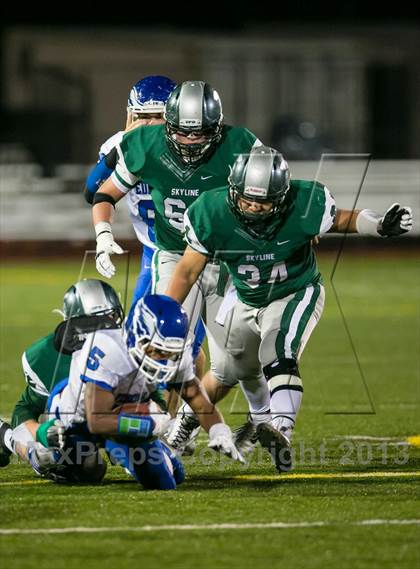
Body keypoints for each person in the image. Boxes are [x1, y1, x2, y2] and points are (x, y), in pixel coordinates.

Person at [164, 145, 413, 472]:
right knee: (227, 372)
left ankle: (279, 429)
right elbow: (187, 270)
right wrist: (164, 311)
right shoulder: (210, 211)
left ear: (282, 196)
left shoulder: (304, 204)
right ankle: (188, 421)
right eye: (247, 199)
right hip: (244, 295)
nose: (253, 208)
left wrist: (378, 224)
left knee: (277, 350)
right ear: (232, 189)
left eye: (264, 201)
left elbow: (342, 220)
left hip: (294, 291)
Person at [91, 80, 261, 407]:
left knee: (234, 359)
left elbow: (270, 186)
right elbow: (99, 193)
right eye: (183, 131)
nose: (190, 141)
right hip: (171, 252)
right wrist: (103, 234)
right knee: (164, 339)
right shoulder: (143, 144)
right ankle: (155, 421)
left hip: (225, 256)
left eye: (200, 133)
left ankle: (250, 416)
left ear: (217, 127)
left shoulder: (239, 143)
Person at [44, 293, 243, 490]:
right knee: (89, 470)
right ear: (136, 336)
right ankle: (38, 454)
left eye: (170, 353)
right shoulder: (110, 349)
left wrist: (219, 430)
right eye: (156, 351)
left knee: (168, 480)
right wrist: (150, 424)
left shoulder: (174, 355)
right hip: (77, 422)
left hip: (123, 414)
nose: (162, 360)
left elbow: (196, 397)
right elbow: (97, 420)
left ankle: (125, 452)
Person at [84, 75, 207, 383]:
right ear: (130, 116)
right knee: (140, 340)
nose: (150, 124)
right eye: (142, 116)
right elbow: (92, 190)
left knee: (187, 341)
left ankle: (185, 419)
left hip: (201, 252)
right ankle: (158, 417)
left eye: (158, 116)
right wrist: (125, 144)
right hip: (155, 254)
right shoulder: (120, 145)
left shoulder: (190, 145)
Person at [0, 278, 125, 482]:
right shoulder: (45, 357)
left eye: (111, 316)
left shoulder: (129, 343)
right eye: (99, 320)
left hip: (107, 416)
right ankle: (5, 437)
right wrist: (42, 432)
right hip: (71, 425)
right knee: (81, 467)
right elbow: (27, 409)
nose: (110, 325)